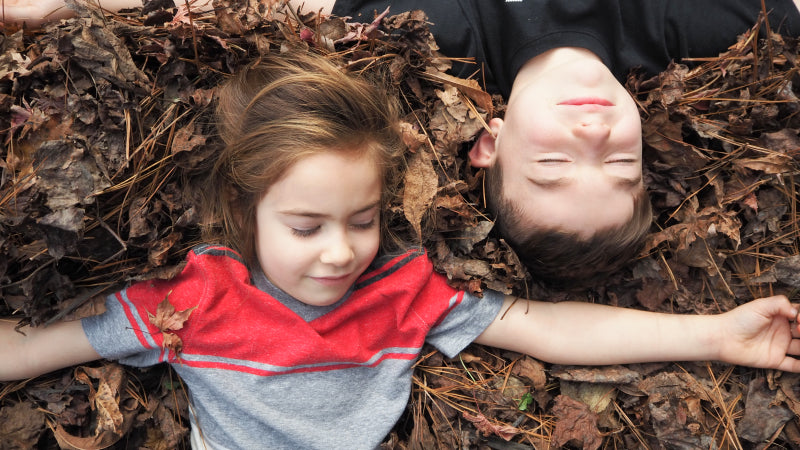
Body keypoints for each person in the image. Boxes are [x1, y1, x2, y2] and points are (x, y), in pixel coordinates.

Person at [1, 50, 800, 450]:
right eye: (306, 227)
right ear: (243, 214)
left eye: (363, 219)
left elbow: (550, 330)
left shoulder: (405, 287)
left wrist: (714, 335)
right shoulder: (192, 299)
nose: (341, 252)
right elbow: (36, 348)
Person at [5, 1, 799, 288]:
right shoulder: (710, 26)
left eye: (555, 162)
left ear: (489, 144)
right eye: (619, 161)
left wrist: (50, 9)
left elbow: (231, 7)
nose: (592, 130)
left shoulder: (432, 31)